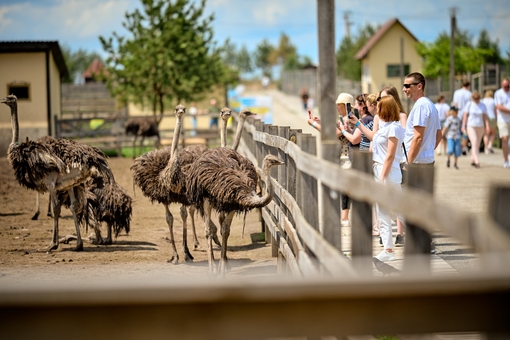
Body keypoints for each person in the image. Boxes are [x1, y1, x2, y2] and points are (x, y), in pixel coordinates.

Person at [351, 96, 405, 261]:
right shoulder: (384, 126)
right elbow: (373, 137)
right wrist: (358, 123)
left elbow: (390, 155)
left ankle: (423, 240)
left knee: (399, 210)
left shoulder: (394, 128)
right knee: (382, 211)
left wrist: (382, 178)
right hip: (379, 170)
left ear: (386, 109)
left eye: (380, 107)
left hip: (388, 172)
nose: (377, 110)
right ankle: (388, 250)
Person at [308, 92, 354, 227]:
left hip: (348, 158)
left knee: (346, 188)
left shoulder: (349, 119)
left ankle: (345, 217)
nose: (337, 107)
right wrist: (320, 122)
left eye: (339, 105)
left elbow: (332, 135)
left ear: (347, 106)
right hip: (342, 157)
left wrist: (313, 125)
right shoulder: (343, 119)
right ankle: (344, 216)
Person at [402, 72, 442, 166]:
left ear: (419, 86)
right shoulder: (430, 105)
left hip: (416, 163)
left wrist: (408, 163)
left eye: (407, 86)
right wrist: (427, 152)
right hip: (425, 161)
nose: (404, 89)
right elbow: (439, 135)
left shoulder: (421, 106)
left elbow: (418, 137)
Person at [461, 91, 490, 168]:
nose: (476, 99)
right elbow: (465, 116)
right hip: (471, 126)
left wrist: (487, 126)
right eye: (475, 98)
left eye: (477, 98)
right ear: (472, 98)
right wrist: (463, 125)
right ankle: (477, 161)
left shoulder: (482, 105)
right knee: (474, 142)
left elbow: (485, 117)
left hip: (480, 126)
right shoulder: (469, 104)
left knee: (477, 144)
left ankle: (473, 158)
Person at [453, 80, 472, 155]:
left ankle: (457, 146)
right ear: (468, 86)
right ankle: (463, 147)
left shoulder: (457, 92)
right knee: (465, 131)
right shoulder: (469, 93)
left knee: (457, 131)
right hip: (466, 114)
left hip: (458, 114)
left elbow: (455, 104)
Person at [494, 78, 510, 168]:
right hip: (503, 120)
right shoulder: (498, 93)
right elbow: (499, 106)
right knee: (505, 138)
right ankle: (506, 160)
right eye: (505, 86)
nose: (507, 88)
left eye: (508, 86)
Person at [481, 89, 497, 154]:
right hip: (492, 117)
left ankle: (486, 149)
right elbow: (495, 111)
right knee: (493, 133)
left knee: (486, 134)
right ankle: (490, 144)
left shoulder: (483, 100)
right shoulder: (494, 101)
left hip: (485, 118)